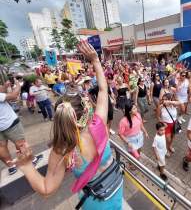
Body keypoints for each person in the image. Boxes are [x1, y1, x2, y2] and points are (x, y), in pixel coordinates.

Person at [12, 41, 123, 209]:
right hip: (115, 191)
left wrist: (26, 166)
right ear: (87, 111)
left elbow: (46, 189)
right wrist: (95, 60)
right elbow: (102, 89)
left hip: (94, 203)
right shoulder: (99, 123)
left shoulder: (63, 150)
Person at [0, 79, 41, 175]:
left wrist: (5, 87)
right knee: (21, 143)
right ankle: (31, 160)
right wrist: (18, 84)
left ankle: (11, 167)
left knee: (1, 147)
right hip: (9, 122)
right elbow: (13, 96)